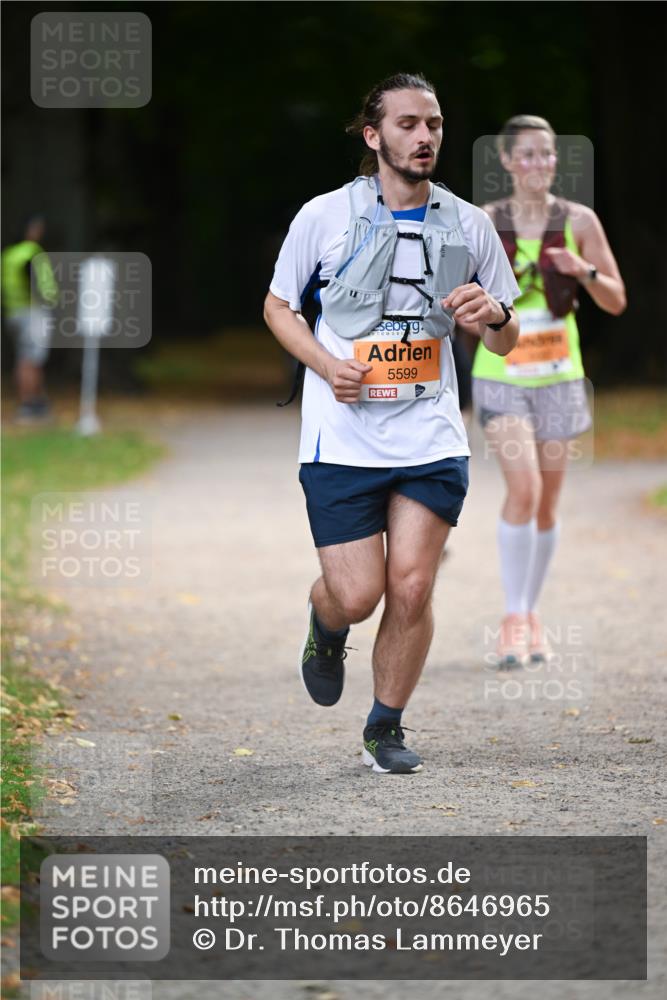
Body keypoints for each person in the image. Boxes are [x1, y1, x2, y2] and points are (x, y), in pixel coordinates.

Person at [264, 73, 520, 774]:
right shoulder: (323, 216)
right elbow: (278, 307)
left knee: (411, 585)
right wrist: (323, 362)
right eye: (407, 124)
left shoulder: (469, 224)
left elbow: (505, 335)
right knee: (358, 593)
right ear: (373, 135)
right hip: (341, 436)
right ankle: (325, 624)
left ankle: (386, 727)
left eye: (433, 124)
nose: (424, 137)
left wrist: (493, 317)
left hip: (430, 433)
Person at [468, 115, 626, 668]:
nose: (539, 164)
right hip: (503, 379)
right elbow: (463, 306)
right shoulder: (486, 222)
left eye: (548, 155)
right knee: (525, 490)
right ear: (508, 162)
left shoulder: (579, 220)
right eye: (527, 155)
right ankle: (513, 619)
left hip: (560, 377)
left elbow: (615, 300)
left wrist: (582, 270)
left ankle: (531, 613)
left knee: (548, 502)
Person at [1, 215, 59, 423]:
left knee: (26, 358)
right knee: (30, 360)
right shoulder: (31, 253)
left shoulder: (8, 255)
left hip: (14, 313)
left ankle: (36, 401)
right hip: (32, 312)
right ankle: (28, 404)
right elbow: (35, 280)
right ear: (31, 231)